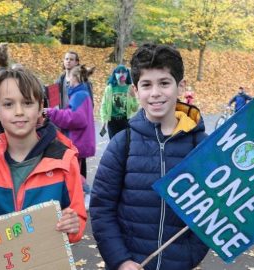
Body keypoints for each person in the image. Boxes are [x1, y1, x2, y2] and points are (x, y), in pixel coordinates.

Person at [90, 44, 209, 270]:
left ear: (180, 86)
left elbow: (214, 208)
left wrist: (189, 255)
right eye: (146, 84)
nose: (155, 92)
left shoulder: (201, 146)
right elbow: (101, 209)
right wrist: (121, 261)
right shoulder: (122, 144)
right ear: (135, 90)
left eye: (164, 83)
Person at [0, 68, 86, 269]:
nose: (19, 111)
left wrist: (73, 225)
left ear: (40, 108)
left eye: (28, 103)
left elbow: (78, 219)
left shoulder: (65, 161)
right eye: (8, 104)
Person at [45, 65, 96, 182]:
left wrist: (52, 113)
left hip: (77, 141)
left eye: (70, 77)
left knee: (74, 177)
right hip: (81, 141)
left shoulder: (79, 95)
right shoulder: (82, 93)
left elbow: (75, 118)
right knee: (77, 174)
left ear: (76, 78)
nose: (68, 80)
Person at [100, 64, 138, 139]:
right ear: (115, 74)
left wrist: (133, 97)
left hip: (125, 121)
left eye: (123, 72)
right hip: (112, 122)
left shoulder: (129, 88)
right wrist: (104, 121)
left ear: (127, 74)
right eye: (118, 72)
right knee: (114, 144)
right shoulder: (109, 88)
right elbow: (103, 105)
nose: (121, 74)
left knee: (125, 143)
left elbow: (134, 108)